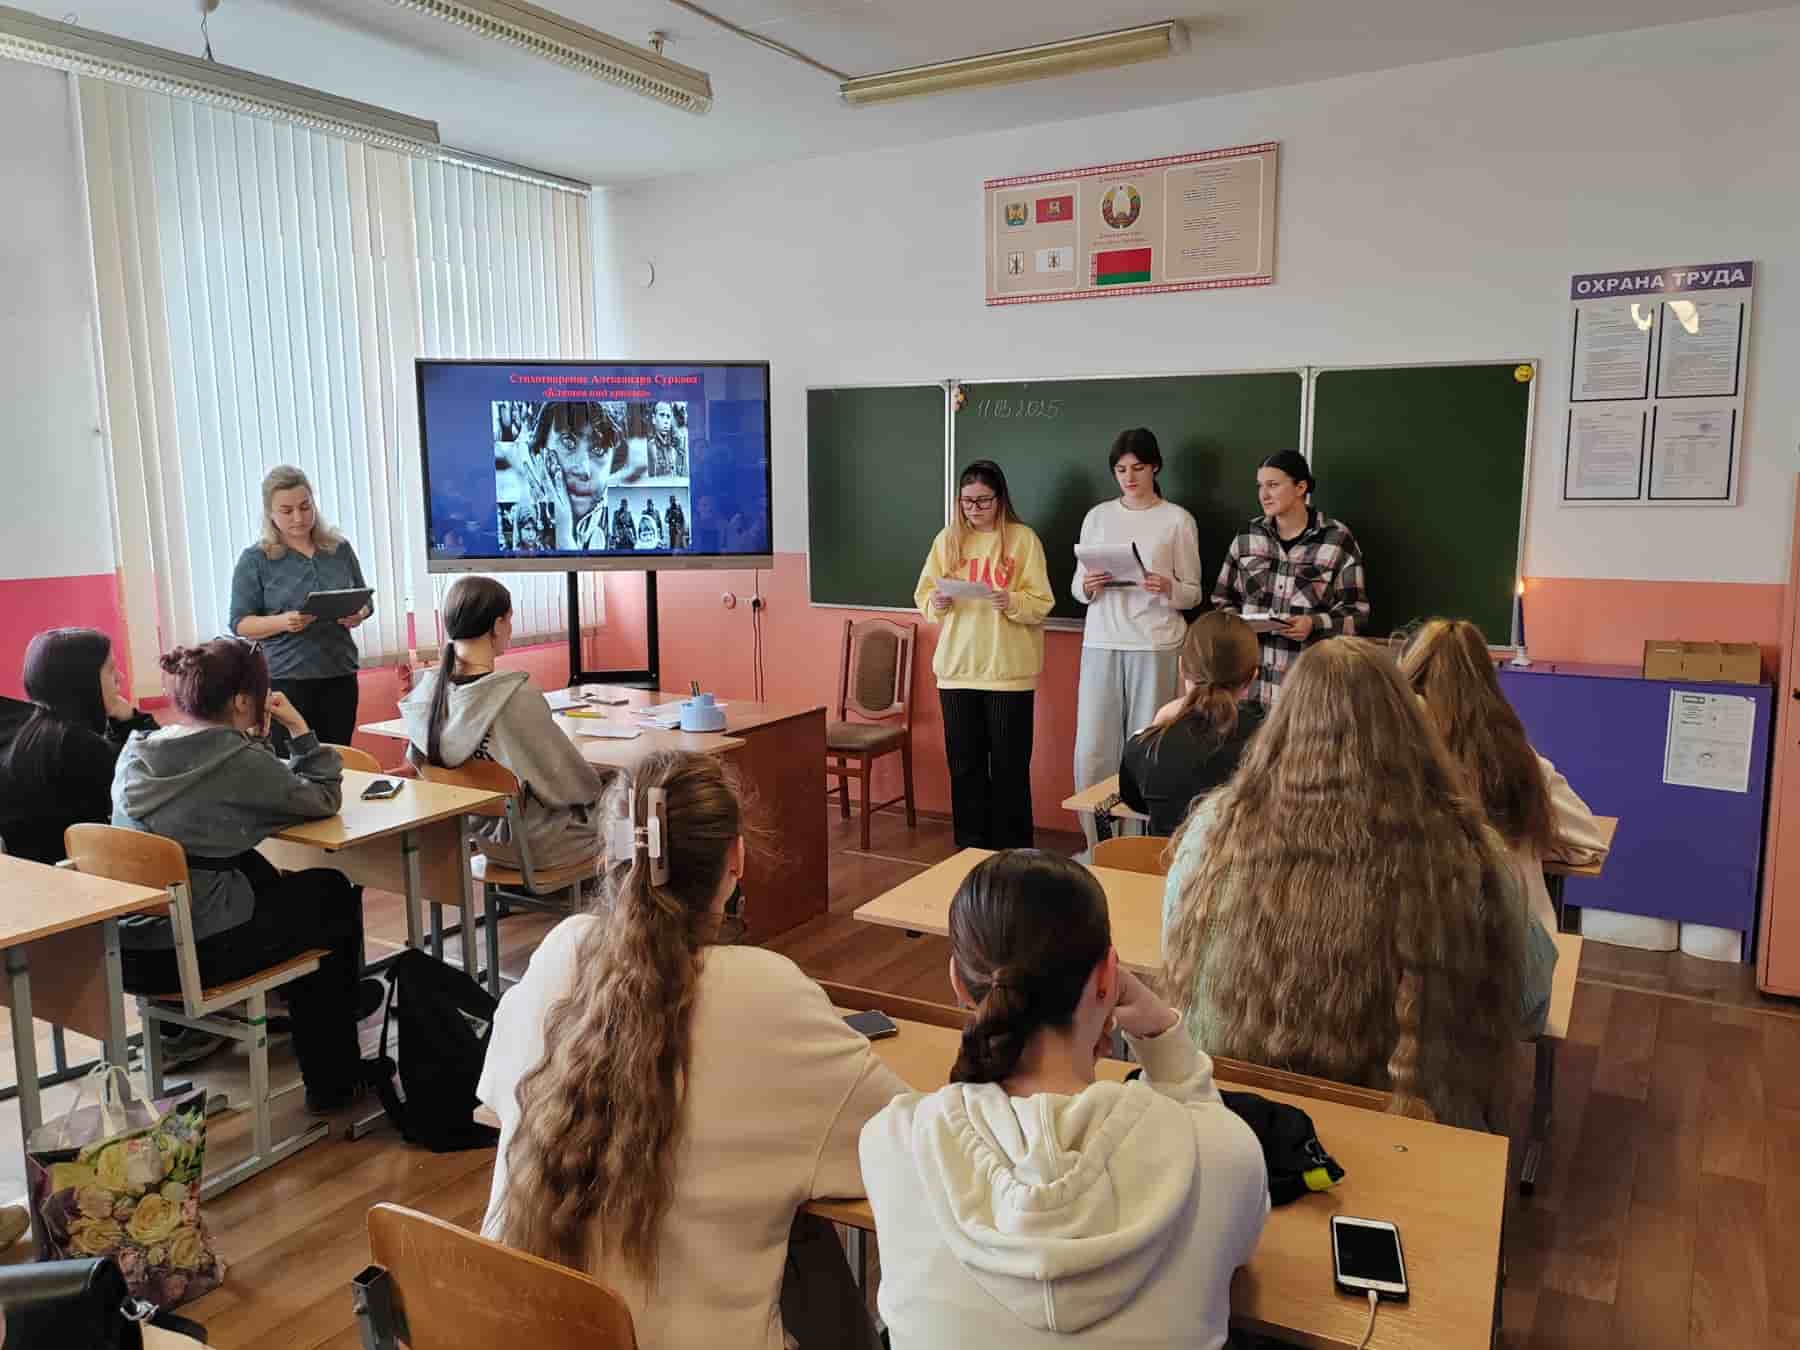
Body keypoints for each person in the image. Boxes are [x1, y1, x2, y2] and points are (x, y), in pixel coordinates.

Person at [480, 751, 907, 1350]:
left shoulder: (561, 950)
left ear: (606, 857)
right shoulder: (768, 993)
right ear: (737, 859)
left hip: (513, 1330)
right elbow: (907, 1144)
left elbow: (496, 1088)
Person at [860, 850, 1267, 1349]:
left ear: (957, 983)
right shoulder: (1221, 1154)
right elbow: (1240, 1240)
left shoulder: (892, 1142)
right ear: (1108, 978)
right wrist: (1162, 1037)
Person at [1160, 638, 1555, 1131]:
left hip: (1242, 1130)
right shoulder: (1467, 851)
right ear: (1409, 727)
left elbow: (1177, 953)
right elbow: (1529, 1007)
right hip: (1409, 1138)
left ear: (1281, 726)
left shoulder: (1216, 831)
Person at [111, 640, 375, 1113]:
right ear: (240, 701)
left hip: (129, 950)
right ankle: (334, 1080)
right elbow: (322, 798)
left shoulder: (137, 752)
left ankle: (308, 1006)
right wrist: (300, 730)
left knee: (260, 872)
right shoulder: (238, 762)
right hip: (194, 955)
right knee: (331, 893)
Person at [1398, 618, 1611, 934]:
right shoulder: (1518, 761)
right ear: (1487, 683)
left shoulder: (1390, 764)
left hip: (1424, 945)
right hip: (1515, 948)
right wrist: (1527, 843)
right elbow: (1589, 844)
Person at [400, 576, 605, 872]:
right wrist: (602, 782)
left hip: (486, 843)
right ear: (497, 625)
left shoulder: (427, 697)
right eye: (509, 619)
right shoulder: (515, 698)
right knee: (627, 796)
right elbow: (573, 785)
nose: (510, 627)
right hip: (544, 844)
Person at [1071, 429, 1203, 844]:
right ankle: (1099, 845)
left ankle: (1140, 845)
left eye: (1138, 468)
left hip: (1155, 642)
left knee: (1148, 748)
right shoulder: (1097, 517)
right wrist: (1088, 585)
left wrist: (1167, 587)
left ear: (1155, 467)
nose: (1129, 477)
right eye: (1121, 470)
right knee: (1093, 749)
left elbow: (1193, 593)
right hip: (1102, 641)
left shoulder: (1177, 519)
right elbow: (1077, 587)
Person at [914, 461, 1054, 848]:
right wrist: (937, 601)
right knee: (964, 768)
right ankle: (971, 851)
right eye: (966, 502)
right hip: (957, 670)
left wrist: (1011, 600)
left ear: (1000, 499)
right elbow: (924, 596)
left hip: (1008, 672)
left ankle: (1014, 854)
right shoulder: (947, 540)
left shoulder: (1023, 540)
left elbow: (1042, 603)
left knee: (1010, 770)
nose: (973, 509)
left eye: (982, 501)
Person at [1210, 451, 1368, 707]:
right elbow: (1221, 599)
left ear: (1300, 487)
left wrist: (1313, 623)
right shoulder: (1247, 536)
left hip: (1306, 693)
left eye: (1273, 485)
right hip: (1247, 689)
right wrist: (1238, 626)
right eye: (1260, 486)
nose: (1264, 495)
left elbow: (1356, 613)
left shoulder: (1337, 539)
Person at [230, 464, 371, 749]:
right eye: (287, 510)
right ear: (270, 513)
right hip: (286, 679)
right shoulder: (255, 559)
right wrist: (283, 622)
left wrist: (359, 613)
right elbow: (240, 623)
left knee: (339, 759)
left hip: (339, 673)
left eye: (305, 507)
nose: (299, 517)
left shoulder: (339, 549)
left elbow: (366, 599)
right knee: (291, 762)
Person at [0, 628, 156, 865]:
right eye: (111, 670)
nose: (120, 677)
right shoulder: (78, 745)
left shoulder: (27, 731)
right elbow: (152, 773)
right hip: (80, 874)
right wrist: (132, 722)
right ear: (84, 682)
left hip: (32, 874)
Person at [1118, 612, 1264, 838]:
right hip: (1245, 860)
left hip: (1170, 861)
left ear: (1181, 667)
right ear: (1252, 677)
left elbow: (1136, 802)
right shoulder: (1272, 741)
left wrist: (1158, 724)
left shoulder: (1143, 747)